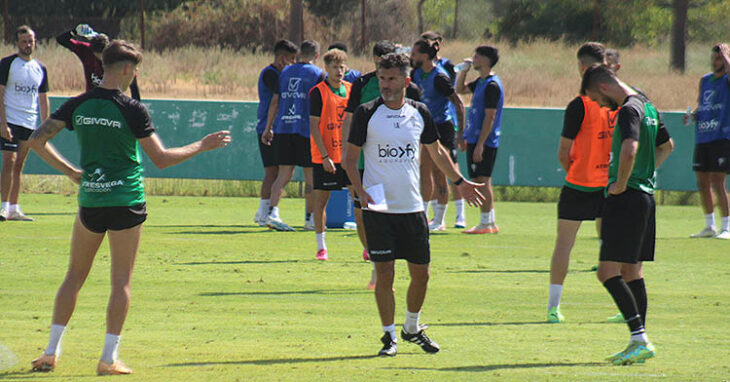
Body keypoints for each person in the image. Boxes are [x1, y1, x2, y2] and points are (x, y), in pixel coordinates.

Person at [27, 40, 231, 375]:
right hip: (125, 201)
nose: (134, 74)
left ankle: (50, 351)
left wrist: (72, 173)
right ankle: (108, 358)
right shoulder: (131, 108)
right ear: (125, 69)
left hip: (91, 200)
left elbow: (36, 140)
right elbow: (162, 160)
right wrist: (202, 145)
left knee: (73, 276)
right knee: (120, 281)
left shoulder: (78, 104)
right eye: (134, 68)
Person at [343, 52, 484, 357]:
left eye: (392, 78)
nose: (386, 84)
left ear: (406, 81)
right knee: (385, 275)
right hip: (379, 207)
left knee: (422, 274)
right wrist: (360, 191)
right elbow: (349, 160)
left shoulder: (420, 112)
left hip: (413, 207)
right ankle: (388, 336)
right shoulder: (367, 113)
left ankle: (411, 328)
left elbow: (437, 153)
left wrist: (460, 182)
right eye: (382, 78)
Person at [581, 63, 674, 365]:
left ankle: (640, 338)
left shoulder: (628, 110)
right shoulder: (647, 105)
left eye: (596, 98)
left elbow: (629, 149)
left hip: (627, 198)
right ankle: (638, 343)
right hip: (646, 197)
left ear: (604, 87)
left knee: (607, 272)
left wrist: (621, 184)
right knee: (633, 272)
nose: (599, 105)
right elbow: (667, 146)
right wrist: (645, 176)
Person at [343, 40, 423, 289]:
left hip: (396, 165)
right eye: (379, 66)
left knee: (392, 216)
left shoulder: (412, 91)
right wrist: (347, 152)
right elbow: (349, 119)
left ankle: (385, 267)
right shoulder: (362, 84)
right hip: (365, 163)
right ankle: (377, 263)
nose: (384, 77)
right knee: (363, 215)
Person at [546, 42, 616, 323]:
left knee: (564, 245)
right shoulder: (620, 103)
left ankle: (554, 307)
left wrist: (577, 171)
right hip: (610, 185)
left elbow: (563, 152)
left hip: (579, 185)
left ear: (583, 68)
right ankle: (626, 307)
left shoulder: (579, 104)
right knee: (614, 246)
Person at [262, 40, 325, 231]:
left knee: (283, 175)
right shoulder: (318, 74)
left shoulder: (285, 72)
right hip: (306, 131)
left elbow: (275, 101)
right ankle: (310, 218)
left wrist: (268, 127)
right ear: (316, 55)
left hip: (283, 128)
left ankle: (272, 213)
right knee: (311, 178)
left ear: (299, 54)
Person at [409, 39, 465, 231]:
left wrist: (460, 134)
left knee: (441, 173)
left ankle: (440, 220)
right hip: (423, 127)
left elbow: (457, 103)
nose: (412, 57)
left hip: (442, 127)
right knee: (424, 171)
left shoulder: (439, 77)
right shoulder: (415, 73)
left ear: (425, 56)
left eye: (414, 54)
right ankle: (424, 216)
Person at [0, 25, 49, 221]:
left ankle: (14, 207)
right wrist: (2, 123)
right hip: (10, 120)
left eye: (31, 41)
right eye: (24, 41)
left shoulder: (40, 68)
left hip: (29, 122)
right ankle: (3, 207)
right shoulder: (7, 64)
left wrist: (46, 126)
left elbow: (43, 99)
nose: (28, 45)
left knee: (19, 164)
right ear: (17, 43)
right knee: (9, 162)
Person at [309, 48, 352, 260]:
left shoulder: (351, 90)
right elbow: (314, 127)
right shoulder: (318, 92)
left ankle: (367, 247)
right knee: (321, 201)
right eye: (334, 67)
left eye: (342, 67)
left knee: (360, 199)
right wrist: (325, 156)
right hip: (325, 156)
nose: (339, 71)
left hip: (348, 157)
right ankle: (321, 247)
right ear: (326, 68)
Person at [455, 45, 503, 234]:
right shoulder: (481, 82)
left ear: (486, 60)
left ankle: (485, 223)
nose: (473, 58)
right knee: (480, 179)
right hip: (474, 138)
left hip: (485, 141)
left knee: (482, 180)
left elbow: (490, 117)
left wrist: (480, 144)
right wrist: (463, 72)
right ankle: (489, 222)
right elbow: (459, 89)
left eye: (477, 56)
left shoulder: (492, 85)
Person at [684, 43, 730, 239]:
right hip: (703, 135)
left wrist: (726, 54)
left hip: (722, 136)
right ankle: (709, 225)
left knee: (718, 181)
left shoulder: (727, 80)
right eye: (713, 58)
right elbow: (703, 105)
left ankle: (726, 227)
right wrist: (693, 116)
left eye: (719, 58)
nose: (715, 62)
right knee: (702, 181)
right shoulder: (705, 80)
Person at [253, 39, 298, 226]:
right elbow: (276, 100)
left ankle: (263, 212)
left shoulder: (279, 74)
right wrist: (269, 127)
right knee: (273, 172)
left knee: (280, 172)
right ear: (282, 59)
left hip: (276, 128)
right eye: (291, 60)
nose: (293, 64)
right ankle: (266, 212)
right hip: (269, 127)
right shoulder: (271, 75)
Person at [56, 24, 141, 101]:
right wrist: (74, 31)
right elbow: (61, 40)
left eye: (103, 55)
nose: (101, 59)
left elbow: (134, 86)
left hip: (113, 102)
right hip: (91, 101)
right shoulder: (85, 51)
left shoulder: (116, 56)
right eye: (97, 55)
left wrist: (137, 108)